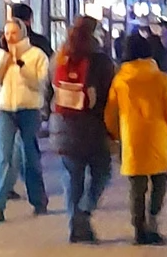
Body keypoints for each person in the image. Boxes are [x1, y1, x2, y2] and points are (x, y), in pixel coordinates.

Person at [106, 27, 167, 243]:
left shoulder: (120, 80)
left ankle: (139, 228)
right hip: (157, 135)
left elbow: (111, 112)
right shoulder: (161, 78)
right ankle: (153, 221)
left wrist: (116, 134)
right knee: (160, 181)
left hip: (131, 137)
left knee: (137, 187)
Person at [48, 16, 116, 243]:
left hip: (62, 126)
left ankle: (75, 227)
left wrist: (50, 117)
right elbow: (108, 97)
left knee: (72, 178)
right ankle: (84, 212)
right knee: (102, 172)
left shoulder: (58, 58)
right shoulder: (101, 61)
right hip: (93, 128)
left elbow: (47, 90)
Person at [0, 7, 50, 222]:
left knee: (29, 155)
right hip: (5, 110)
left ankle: (38, 199)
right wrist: (3, 58)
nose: (10, 37)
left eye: (14, 33)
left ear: (22, 33)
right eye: (7, 33)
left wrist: (20, 64)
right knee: (3, 156)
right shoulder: (1, 55)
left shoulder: (36, 55)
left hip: (29, 110)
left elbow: (40, 83)